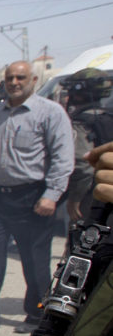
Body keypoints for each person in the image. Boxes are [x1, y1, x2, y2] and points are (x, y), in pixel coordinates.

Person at [0, 60, 74, 334]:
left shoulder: (51, 112)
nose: (14, 82)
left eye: (20, 78)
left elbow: (63, 159)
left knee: (35, 260)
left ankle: (37, 314)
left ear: (34, 80)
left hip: (32, 197)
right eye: (10, 77)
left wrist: (51, 195)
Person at [63, 68, 113, 222]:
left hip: (90, 195)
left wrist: (75, 199)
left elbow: (83, 166)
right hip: (105, 192)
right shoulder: (107, 117)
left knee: (81, 241)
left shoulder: (80, 122)